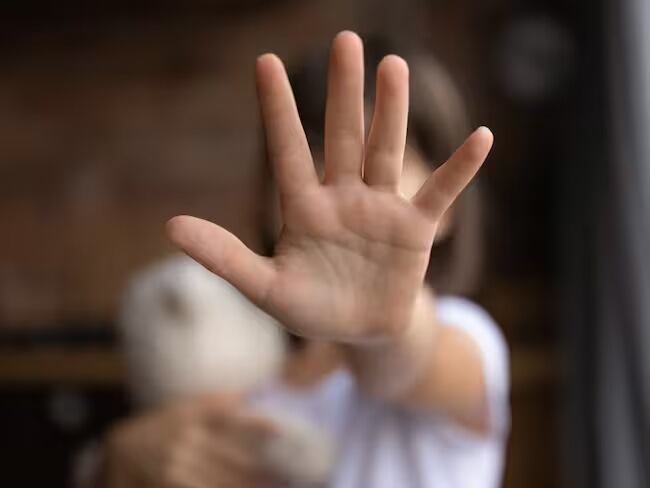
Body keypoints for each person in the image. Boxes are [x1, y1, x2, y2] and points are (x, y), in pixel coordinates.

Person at [101, 31, 509, 488]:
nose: (336, 187)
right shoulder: (244, 372)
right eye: (314, 150)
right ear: (264, 192)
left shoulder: (468, 337)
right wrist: (115, 467)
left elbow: (409, 363)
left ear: (448, 209)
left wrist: (379, 326)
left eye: (374, 162)